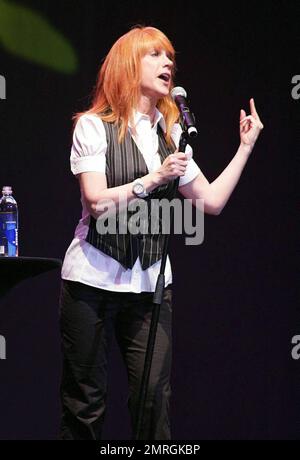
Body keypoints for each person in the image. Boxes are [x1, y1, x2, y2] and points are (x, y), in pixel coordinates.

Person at [59, 25, 263, 440]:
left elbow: (211, 202)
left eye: (169, 56)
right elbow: (96, 203)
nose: (168, 63)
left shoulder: (170, 136)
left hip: (151, 284)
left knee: (153, 400)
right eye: (155, 55)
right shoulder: (94, 127)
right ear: (128, 65)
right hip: (92, 278)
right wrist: (150, 180)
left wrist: (245, 148)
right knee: (86, 403)